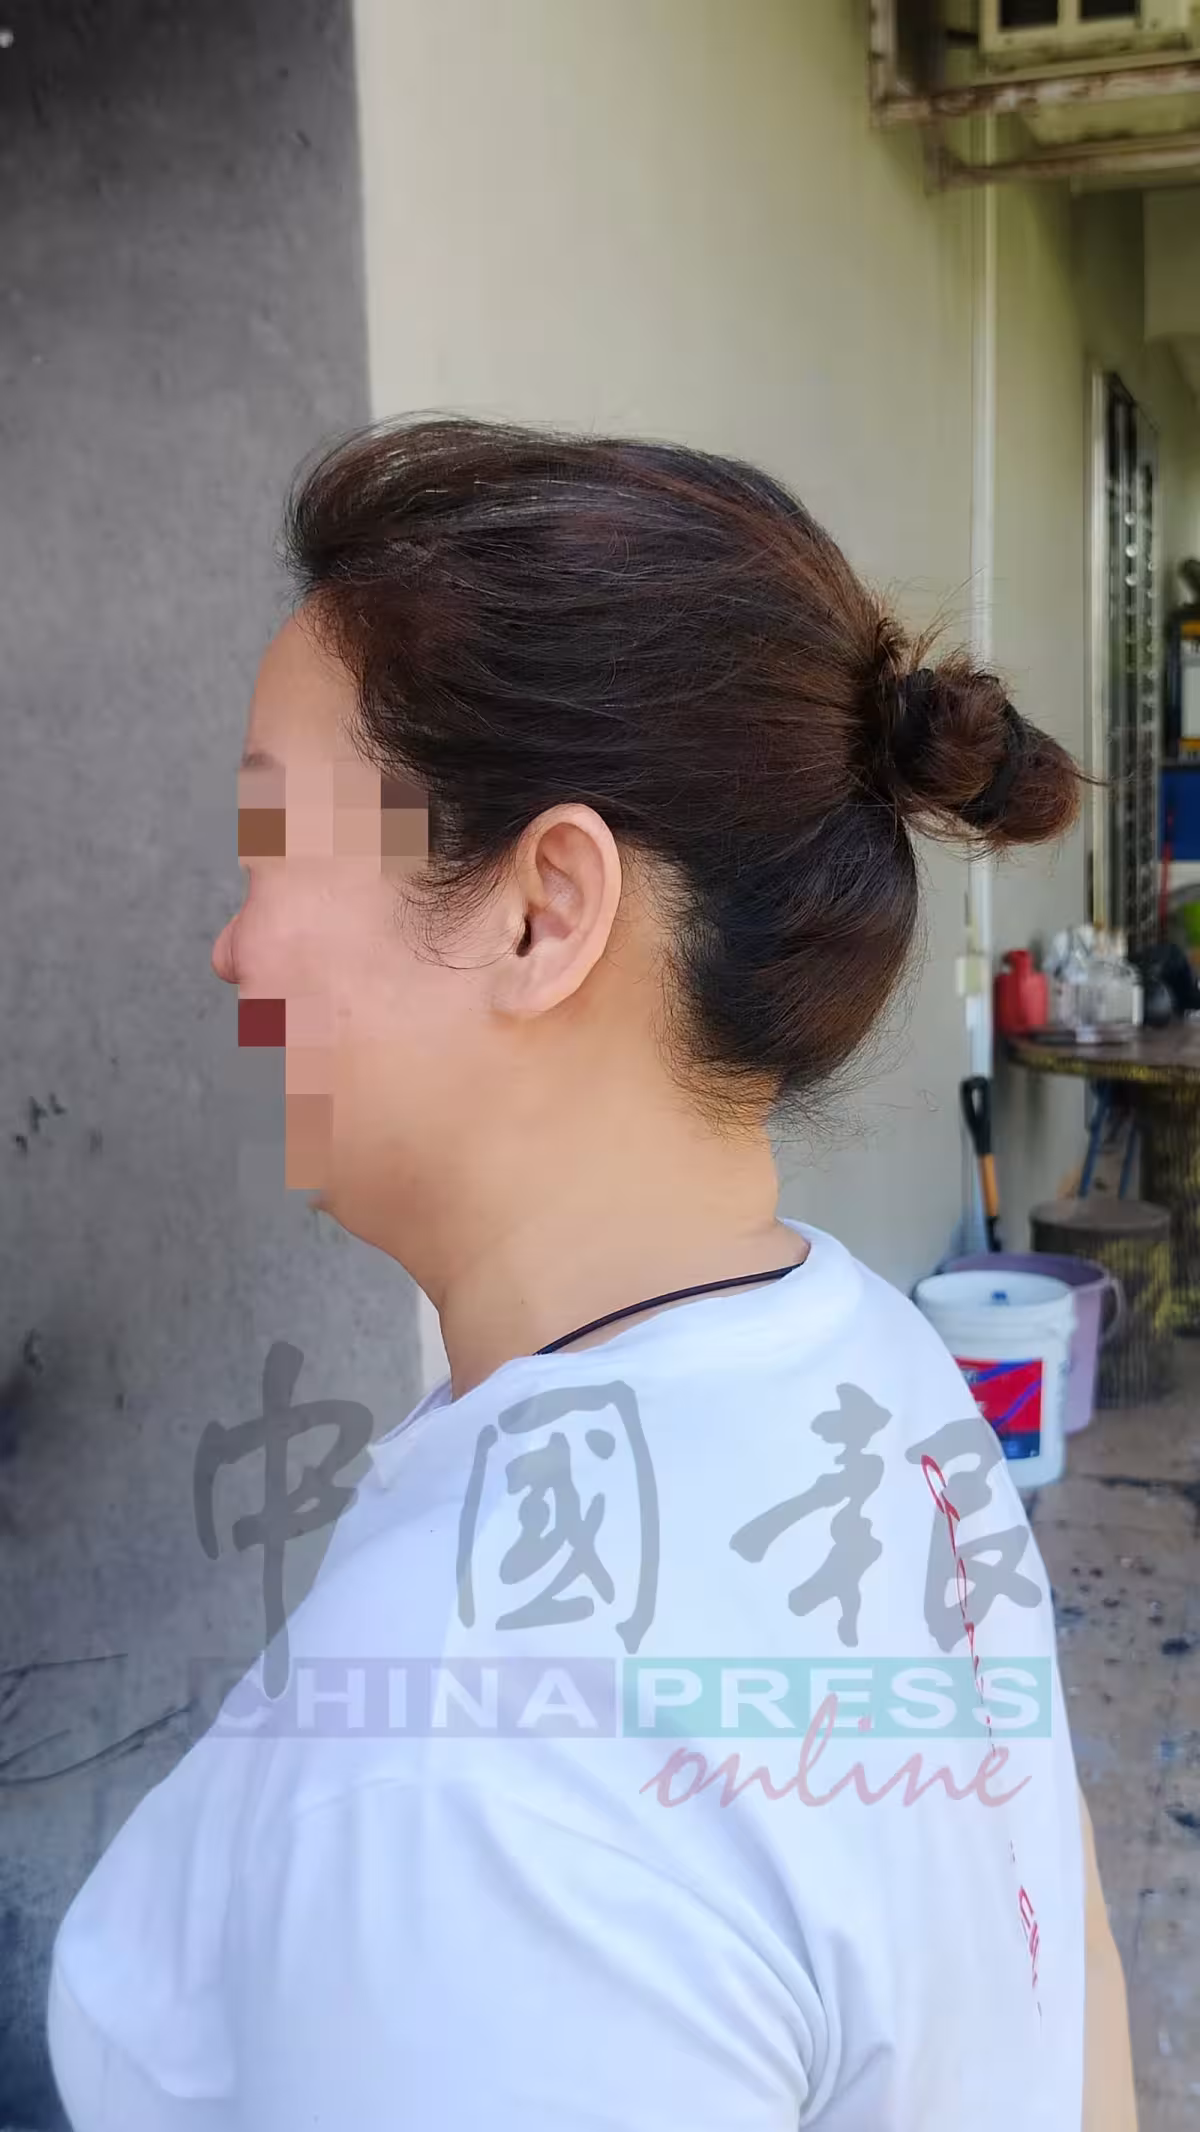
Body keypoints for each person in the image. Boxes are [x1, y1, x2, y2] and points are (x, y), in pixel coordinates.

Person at [47, 419, 1134, 2130]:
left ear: (545, 911)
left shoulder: (476, 1783)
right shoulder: (865, 1355)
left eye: (274, 845)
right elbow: (1059, 1948)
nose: (233, 945)